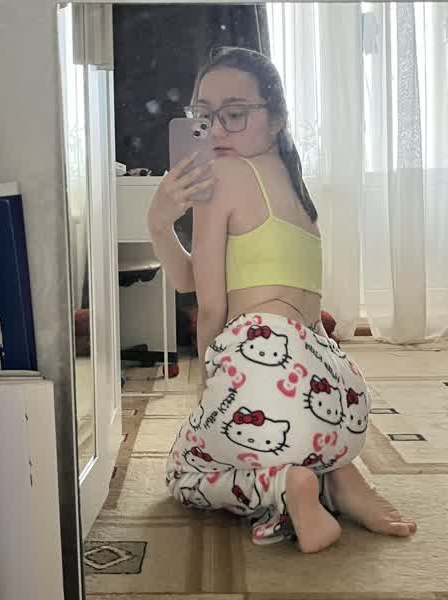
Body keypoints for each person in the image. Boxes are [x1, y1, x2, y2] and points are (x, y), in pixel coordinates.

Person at [147, 47, 416, 552]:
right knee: (270, 423)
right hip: (341, 398)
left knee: (184, 469)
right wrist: (161, 224)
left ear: (276, 120)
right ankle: (339, 473)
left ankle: (284, 486)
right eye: (203, 114)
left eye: (234, 113)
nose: (216, 130)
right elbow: (192, 277)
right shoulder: (294, 185)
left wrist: (209, 388)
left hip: (266, 383)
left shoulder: (220, 176)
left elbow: (209, 306)